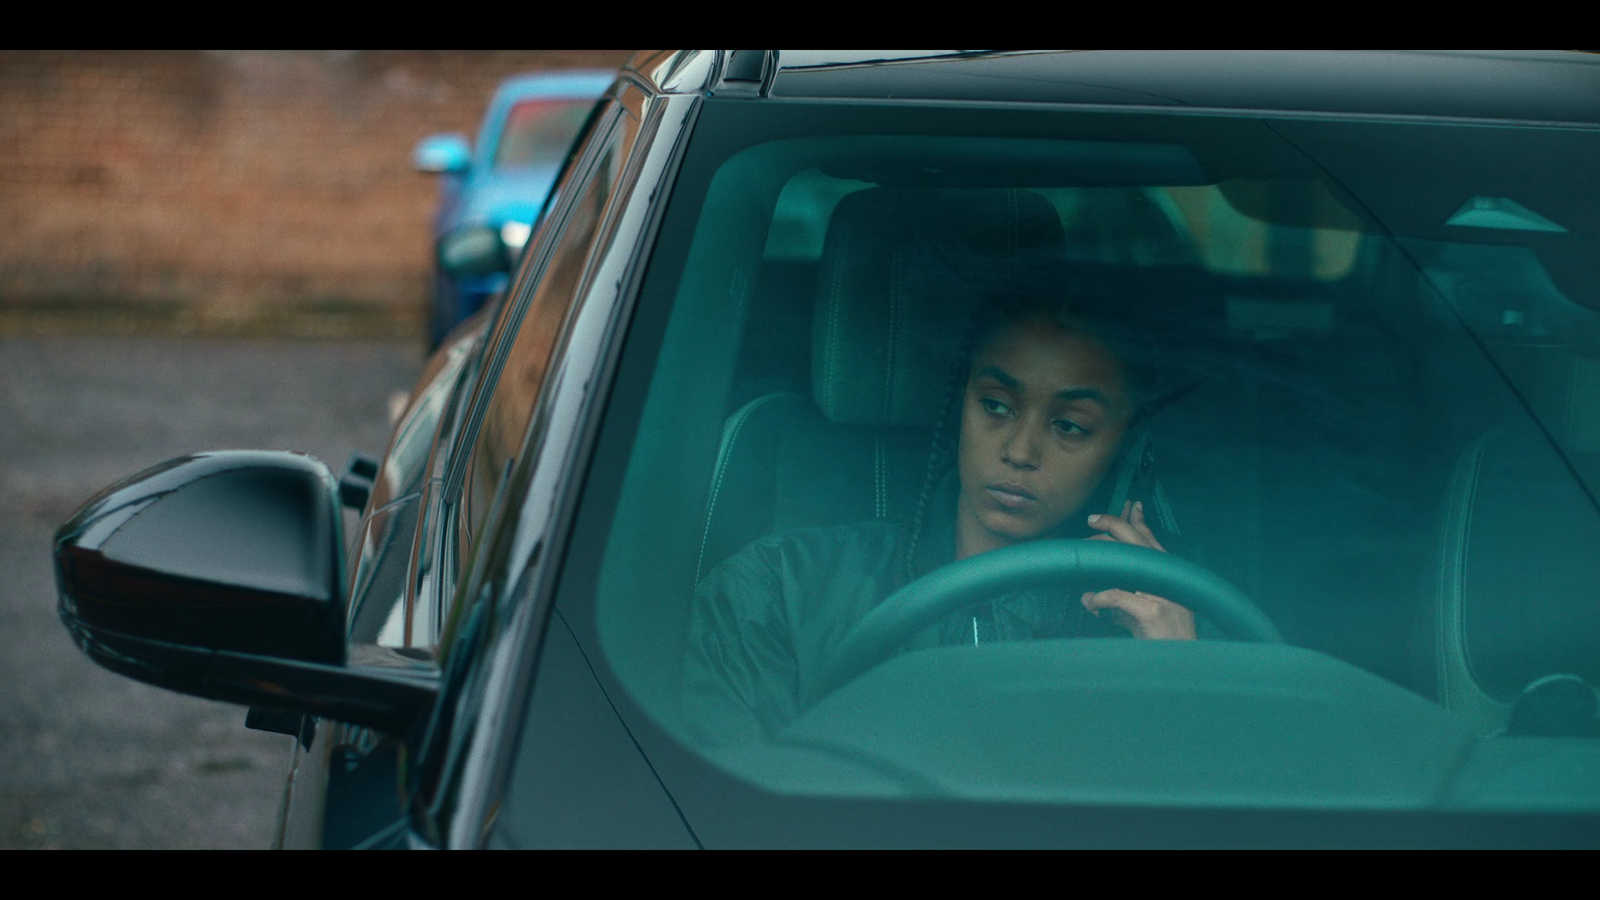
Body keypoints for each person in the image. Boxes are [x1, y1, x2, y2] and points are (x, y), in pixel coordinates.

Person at [682, 273, 1197, 746]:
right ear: (960, 405)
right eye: (996, 404)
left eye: (1070, 426)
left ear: (1125, 451)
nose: (1019, 451)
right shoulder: (778, 593)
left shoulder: (1167, 627)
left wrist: (1181, 681)